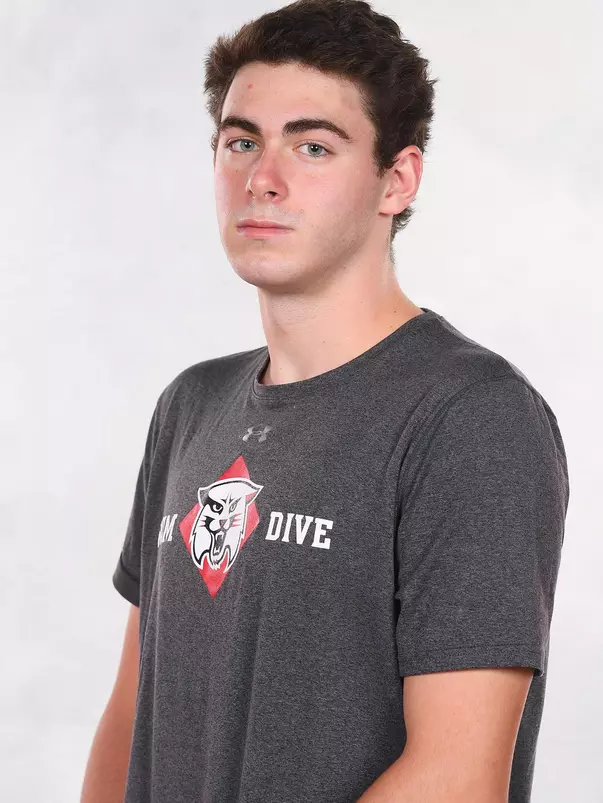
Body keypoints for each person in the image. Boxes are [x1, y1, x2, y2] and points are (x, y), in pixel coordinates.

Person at [79, 1, 569, 801]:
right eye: (241, 141)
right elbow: (134, 711)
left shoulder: (472, 417)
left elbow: (455, 773)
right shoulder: (189, 406)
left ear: (395, 180)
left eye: (312, 146)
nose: (261, 178)